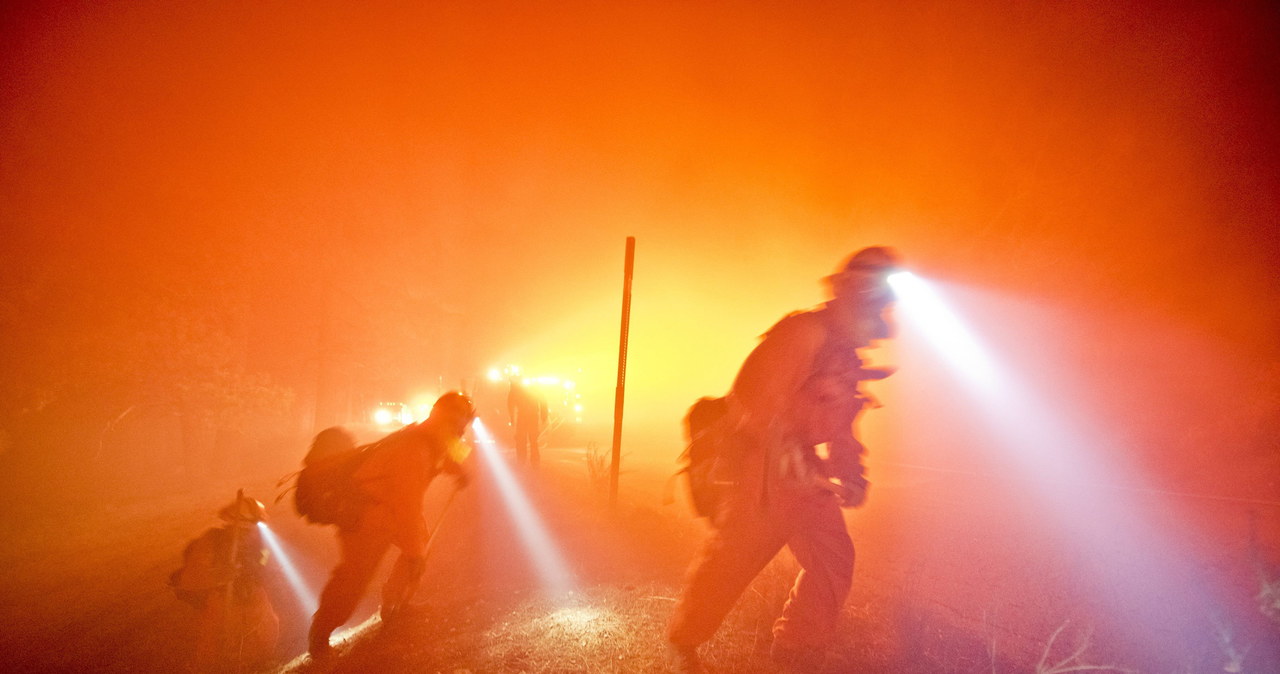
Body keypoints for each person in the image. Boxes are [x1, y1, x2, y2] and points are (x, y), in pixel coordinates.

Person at [667, 247, 901, 672]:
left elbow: (844, 430)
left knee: (833, 559)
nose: (883, 316)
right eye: (878, 301)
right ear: (858, 296)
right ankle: (686, 640)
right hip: (761, 474)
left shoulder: (845, 359)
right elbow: (754, 399)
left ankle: (797, 648)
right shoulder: (802, 333)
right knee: (730, 567)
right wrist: (785, 455)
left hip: (805, 477)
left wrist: (851, 474)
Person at [308, 391, 476, 660]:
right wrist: (414, 553)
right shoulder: (414, 449)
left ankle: (395, 604)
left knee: (419, 544)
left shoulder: (432, 437)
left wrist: (461, 472)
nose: (463, 429)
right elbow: (406, 506)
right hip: (366, 517)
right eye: (461, 422)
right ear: (449, 419)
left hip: (385, 511)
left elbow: (449, 456)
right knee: (353, 580)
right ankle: (320, 635)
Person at [170, 490, 279, 673]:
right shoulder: (212, 541)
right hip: (221, 600)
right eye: (249, 526)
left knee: (266, 631)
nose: (252, 530)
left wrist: (259, 572)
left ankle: (258, 666)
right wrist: (221, 576)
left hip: (252, 595)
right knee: (215, 645)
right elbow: (192, 577)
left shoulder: (259, 540)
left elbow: (264, 563)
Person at [507, 378, 548, 467]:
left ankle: (522, 461)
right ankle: (533, 462)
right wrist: (543, 416)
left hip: (524, 417)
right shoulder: (534, 388)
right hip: (532, 417)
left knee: (523, 440)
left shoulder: (515, 389)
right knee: (532, 440)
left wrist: (512, 418)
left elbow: (510, 404)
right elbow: (543, 402)